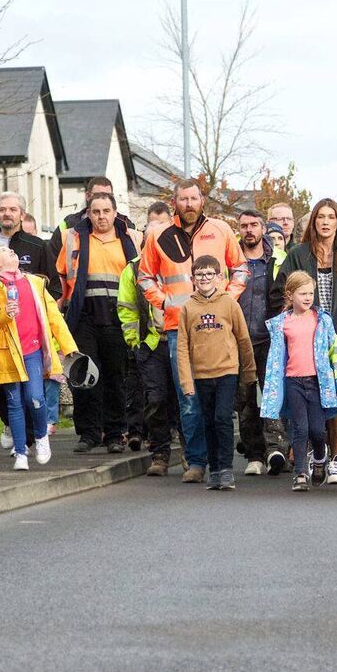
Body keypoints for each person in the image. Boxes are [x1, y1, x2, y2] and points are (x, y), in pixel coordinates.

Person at [139, 180, 248, 484]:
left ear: (202, 200)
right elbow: (145, 277)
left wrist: (226, 299)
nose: (188, 204)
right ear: (174, 202)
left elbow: (240, 268)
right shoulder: (159, 235)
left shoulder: (221, 230)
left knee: (216, 402)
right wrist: (165, 304)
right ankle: (196, 461)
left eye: (193, 198)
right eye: (183, 199)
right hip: (177, 328)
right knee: (188, 396)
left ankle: (217, 462)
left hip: (217, 327)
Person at [270, 199, 337, 482]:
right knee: (309, 397)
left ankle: (336, 459)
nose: (325, 222)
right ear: (313, 223)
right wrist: (293, 320)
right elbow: (279, 291)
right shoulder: (298, 254)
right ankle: (313, 455)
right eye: (319, 217)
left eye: (331, 217)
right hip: (305, 339)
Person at [0, 245, 78, 470]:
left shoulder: (34, 282)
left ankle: (41, 436)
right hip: (6, 354)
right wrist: (4, 314)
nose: (12, 251)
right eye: (5, 251)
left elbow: (53, 316)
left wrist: (68, 346)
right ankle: (21, 452)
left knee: (35, 398)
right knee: (14, 403)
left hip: (32, 350)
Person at [59, 192, 138, 453]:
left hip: (117, 316)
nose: (101, 216)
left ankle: (115, 433)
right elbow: (62, 276)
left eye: (106, 211)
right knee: (84, 375)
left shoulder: (129, 240)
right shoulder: (75, 238)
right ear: (88, 214)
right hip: (84, 316)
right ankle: (89, 433)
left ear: (115, 213)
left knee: (115, 376)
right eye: (96, 211)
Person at [261, 271, 337, 492]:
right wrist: (273, 385)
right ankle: (300, 473)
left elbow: (336, 351)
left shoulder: (322, 319)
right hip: (294, 381)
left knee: (318, 430)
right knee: (300, 429)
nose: (308, 297)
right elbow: (276, 357)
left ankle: (320, 457)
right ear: (290, 295)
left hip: (318, 382)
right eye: (303, 293)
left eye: (311, 293)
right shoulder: (282, 323)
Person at [176, 255, 257, 491]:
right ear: (193, 279)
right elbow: (182, 346)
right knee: (208, 422)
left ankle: (226, 469)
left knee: (222, 418)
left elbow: (243, 339)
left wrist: (248, 372)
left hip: (227, 372)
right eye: (200, 275)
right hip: (201, 375)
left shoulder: (229, 304)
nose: (204, 279)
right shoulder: (188, 308)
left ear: (219, 277)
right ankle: (214, 469)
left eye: (209, 274)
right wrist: (186, 380)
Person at [0, 192, 61, 453]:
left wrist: (41, 311)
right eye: (2, 209)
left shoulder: (37, 245)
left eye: (12, 209)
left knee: (32, 391)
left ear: (22, 213)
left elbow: (54, 287)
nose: (7, 213)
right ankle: (13, 427)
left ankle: (28, 439)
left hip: (30, 333)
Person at [118, 204, 178, 476]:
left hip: (180, 341)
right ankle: (160, 454)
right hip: (151, 345)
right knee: (155, 398)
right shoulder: (132, 269)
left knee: (183, 400)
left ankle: (192, 455)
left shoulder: (180, 263)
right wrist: (134, 341)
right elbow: (127, 307)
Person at [233, 210, 284, 476]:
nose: (249, 230)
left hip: (270, 339)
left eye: (254, 225)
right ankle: (254, 455)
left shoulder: (277, 260)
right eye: (244, 226)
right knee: (245, 400)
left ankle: (275, 448)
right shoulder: (231, 259)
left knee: (272, 395)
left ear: (263, 228)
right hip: (239, 341)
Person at [49, 176, 137, 273]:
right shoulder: (68, 227)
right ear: (87, 196)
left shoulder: (127, 227)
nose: (103, 199)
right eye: (98, 195)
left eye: (108, 195)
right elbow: (53, 268)